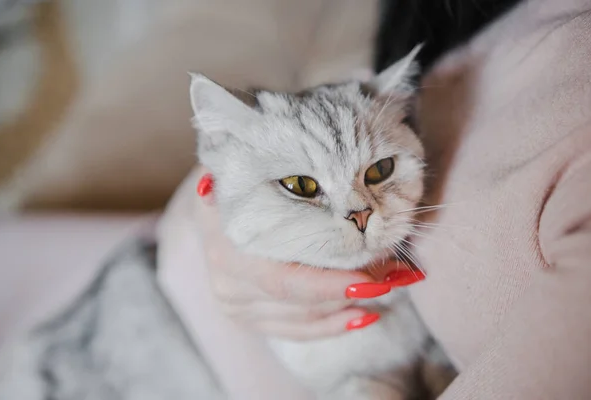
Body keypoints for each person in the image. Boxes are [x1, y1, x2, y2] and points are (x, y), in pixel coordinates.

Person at [158, 0, 591, 399]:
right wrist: (211, 212)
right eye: (304, 187)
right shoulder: (437, 28)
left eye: (379, 172)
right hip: (157, 300)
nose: (358, 213)